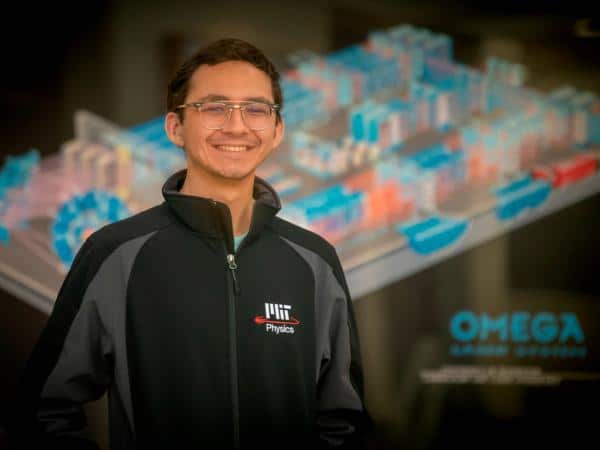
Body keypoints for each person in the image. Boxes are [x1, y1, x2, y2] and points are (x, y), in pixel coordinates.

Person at [5, 38, 371, 450]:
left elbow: (345, 420)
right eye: (214, 107)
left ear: (276, 130)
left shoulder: (314, 261)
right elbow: (43, 411)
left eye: (255, 109)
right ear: (175, 127)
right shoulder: (116, 253)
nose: (236, 126)